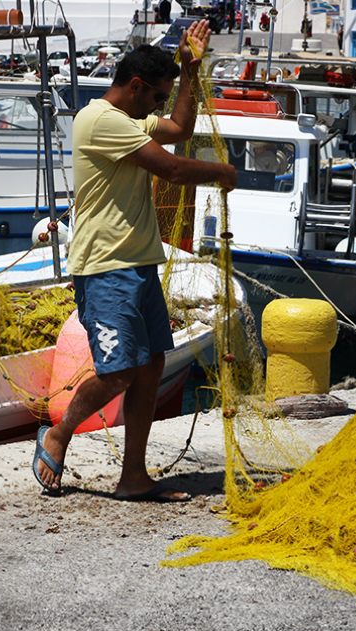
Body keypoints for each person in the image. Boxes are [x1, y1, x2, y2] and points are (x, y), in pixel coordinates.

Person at [33, 21, 238, 502]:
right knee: (119, 371)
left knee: (150, 367)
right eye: (156, 98)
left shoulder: (129, 120)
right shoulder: (99, 121)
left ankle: (133, 476)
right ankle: (58, 435)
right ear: (136, 87)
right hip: (105, 268)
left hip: (139, 265)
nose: (159, 109)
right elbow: (171, 166)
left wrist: (190, 71)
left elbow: (181, 130)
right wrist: (222, 172)